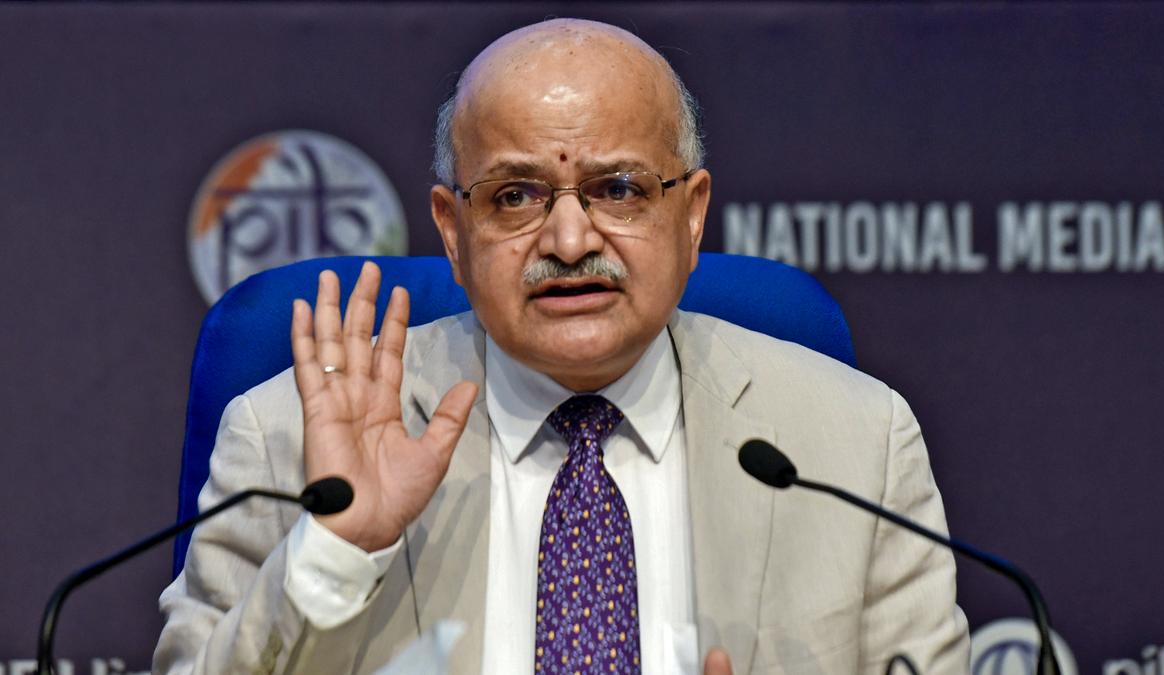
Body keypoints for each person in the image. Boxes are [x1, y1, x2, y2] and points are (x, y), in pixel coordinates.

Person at [154, 18, 969, 675]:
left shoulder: (856, 445)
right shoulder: (286, 438)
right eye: (515, 196)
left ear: (691, 216)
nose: (571, 239)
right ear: (453, 229)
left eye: (619, 189)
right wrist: (333, 552)